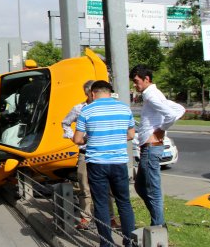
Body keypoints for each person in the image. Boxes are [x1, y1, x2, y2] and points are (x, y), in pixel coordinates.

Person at [73, 80, 136, 247]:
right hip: (119, 162)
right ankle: (129, 241)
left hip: (96, 163)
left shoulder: (87, 110)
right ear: (109, 92)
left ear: (93, 94)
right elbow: (131, 135)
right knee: (124, 202)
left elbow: (77, 139)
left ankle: (106, 243)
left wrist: (90, 138)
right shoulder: (124, 108)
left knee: (100, 203)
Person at [130, 64, 185, 227]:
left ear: (146, 79)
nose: (134, 84)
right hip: (149, 148)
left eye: (136, 81)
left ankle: (158, 227)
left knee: (153, 190)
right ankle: (158, 220)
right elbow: (180, 109)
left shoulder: (151, 95)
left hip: (151, 148)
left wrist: (161, 129)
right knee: (140, 187)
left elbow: (171, 114)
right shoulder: (153, 94)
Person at [62, 80, 118, 230]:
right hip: (85, 153)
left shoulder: (106, 108)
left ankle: (110, 218)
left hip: (103, 153)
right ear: (88, 93)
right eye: (92, 93)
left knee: (106, 188)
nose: (95, 96)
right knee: (85, 187)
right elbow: (65, 122)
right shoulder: (79, 108)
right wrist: (73, 137)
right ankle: (85, 217)